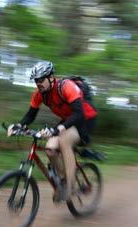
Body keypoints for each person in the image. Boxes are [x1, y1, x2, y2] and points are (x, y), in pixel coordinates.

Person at [8, 61, 97, 202]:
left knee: (64, 140)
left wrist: (57, 129)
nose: (38, 84)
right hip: (69, 120)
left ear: (51, 77)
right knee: (50, 148)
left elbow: (79, 113)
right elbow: (31, 115)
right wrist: (18, 125)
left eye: (41, 80)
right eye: (36, 81)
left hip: (85, 119)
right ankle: (63, 180)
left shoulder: (66, 86)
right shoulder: (39, 94)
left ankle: (70, 185)